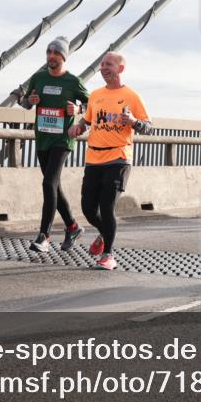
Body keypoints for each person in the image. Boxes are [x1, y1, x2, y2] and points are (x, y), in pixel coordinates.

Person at [67, 52, 153, 271]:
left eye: (109, 64)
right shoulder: (96, 95)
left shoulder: (132, 96)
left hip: (119, 158)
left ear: (120, 69)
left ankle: (108, 255)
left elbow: (149, 127)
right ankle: (105, 233)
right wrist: (78, 127)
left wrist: (133, 122)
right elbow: (87, 120)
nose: (103, 67)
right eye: (102, 64)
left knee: (106, 206)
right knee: (88, 209)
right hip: (93, 158)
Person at [21, 37, 91, 253]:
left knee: (48, 183)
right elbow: (25, 102)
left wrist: (78, 110)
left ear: (64, 57)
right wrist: (30, 101)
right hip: (43, 138)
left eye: (56, 53)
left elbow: (91, 105)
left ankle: (44, 236)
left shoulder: (73, 81)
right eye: (49, 52)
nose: (51, 56)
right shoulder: (38, 77)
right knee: (53, 186)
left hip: (63, 139)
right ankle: (73, 227)